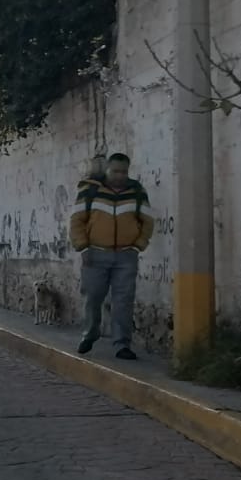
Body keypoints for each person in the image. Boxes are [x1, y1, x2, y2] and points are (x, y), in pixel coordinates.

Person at [70, 151, 154, 361]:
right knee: (93, 297)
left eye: (123, 171)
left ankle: (122, 344)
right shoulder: (90, 190)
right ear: (107, 169)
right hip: (95, 254)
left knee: (123, 301)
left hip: (126, 256)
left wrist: (138, 246)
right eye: (115, 171)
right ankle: (90, 333)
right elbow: (77, 221)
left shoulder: (136, 191)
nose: (119, 175)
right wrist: (83, 247)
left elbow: (147, 221)